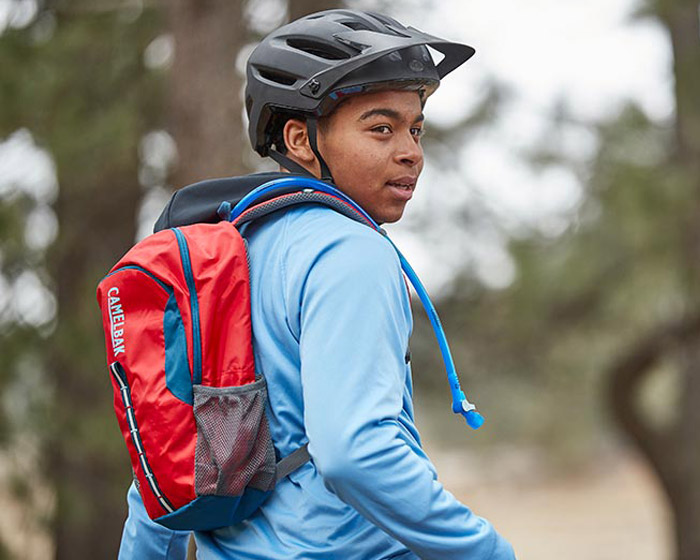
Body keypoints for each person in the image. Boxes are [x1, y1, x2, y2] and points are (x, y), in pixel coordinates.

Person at [119, 9, 516, 560]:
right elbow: (355, 453)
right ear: (301, 139)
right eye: (381, 128)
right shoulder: (352, 252)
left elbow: (164, 460)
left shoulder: (223, 259)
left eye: (415, 128)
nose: (411, 152)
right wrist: (485, 552)